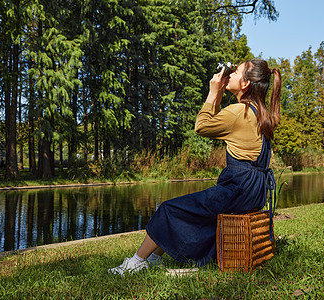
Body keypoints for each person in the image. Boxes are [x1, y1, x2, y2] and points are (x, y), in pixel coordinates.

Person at [108, 58, 282, 275]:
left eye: (236, 71)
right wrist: (219, 92)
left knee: (169, 209)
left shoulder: (240, 111)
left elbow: (202, 126)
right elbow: (216, 122)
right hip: (253, 191)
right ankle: (153, 258)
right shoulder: (259, 112)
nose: (231, 73)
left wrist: (212, 91)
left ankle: (134, 263)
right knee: (190, 213)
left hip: (237, 188)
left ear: (245, 84)